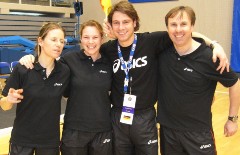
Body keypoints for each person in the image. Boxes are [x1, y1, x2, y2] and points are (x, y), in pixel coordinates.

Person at [100, 1, 230, 155]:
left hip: (145, 117)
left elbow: (184, 33)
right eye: (116, 23)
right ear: (111, 26)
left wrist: (215, 45)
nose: (121, 27)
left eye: (126, 22)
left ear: (135, 22)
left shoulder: (151, 41)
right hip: (118, 116)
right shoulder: (107, 49)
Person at [18, 20, 113, 155]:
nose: (90, 42)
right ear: (81, 39)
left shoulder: (109, 62)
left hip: (102, 131)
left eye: (95, 37)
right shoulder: (69, 59)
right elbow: (47, 61)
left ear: (102, 39)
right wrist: (30, 57)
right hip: (74, 132)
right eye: (86, 37)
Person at [157, 6, 240, 155]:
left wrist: (232, 119)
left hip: (198, 133)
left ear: (192, 27)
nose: (178, 30)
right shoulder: (162, 52)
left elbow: (234, 82)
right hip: (168, 132)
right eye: (173, 25)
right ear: (167, 28)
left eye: (183, 24)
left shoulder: (210, 57)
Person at [0, 22, 70, 155]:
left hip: (50, 142)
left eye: (62, 41)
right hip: (22, 140)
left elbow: (69, 96)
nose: (58, 44)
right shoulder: (23, 68)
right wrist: (9, 99)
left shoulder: (64, 71)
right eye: (53, 40)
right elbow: (5, 106)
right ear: (41, 41)